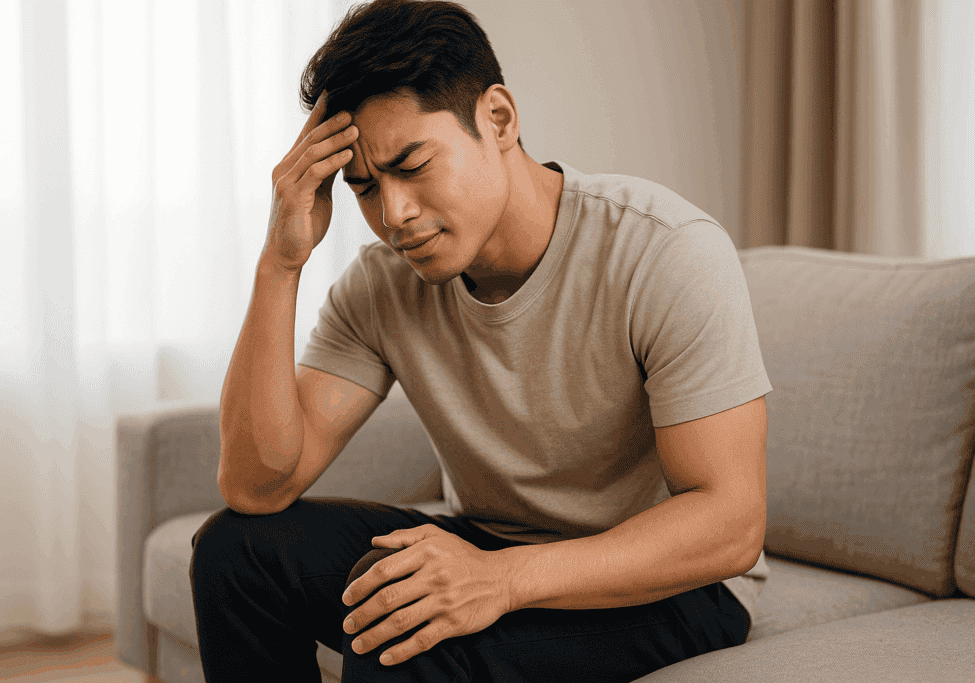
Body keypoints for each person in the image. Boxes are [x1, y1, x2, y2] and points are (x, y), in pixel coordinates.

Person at [189, 0, 771, 681]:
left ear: (498, 118)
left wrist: (502, 579)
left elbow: (730, 523)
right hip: (493, 542)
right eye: (365, 188)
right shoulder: (382, 286)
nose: (393, 214)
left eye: (412, 165)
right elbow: (257, 486)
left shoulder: (664, 251)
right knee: (237, 552)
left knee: (404, 632)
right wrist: (281, 262)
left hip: (674, 586)